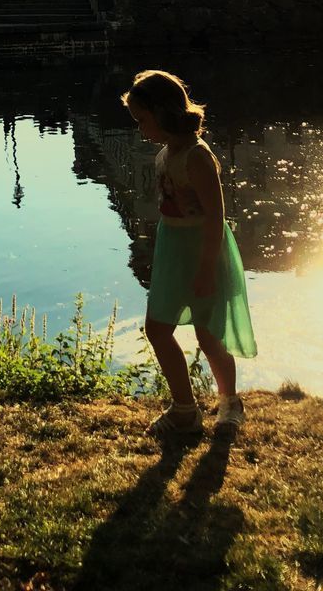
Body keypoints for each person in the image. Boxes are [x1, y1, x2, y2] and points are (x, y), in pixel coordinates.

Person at [121, 70, 256, 437]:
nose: (139, 128)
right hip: (173, 248)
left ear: (163, 112)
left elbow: (216, 216)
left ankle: (229, 404)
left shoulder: (197, 157)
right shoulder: (167, 153)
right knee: (158, 328)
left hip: (201, 249)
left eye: (142, 119)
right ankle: (184, 408)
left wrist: (206, 268)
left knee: (208, 333)